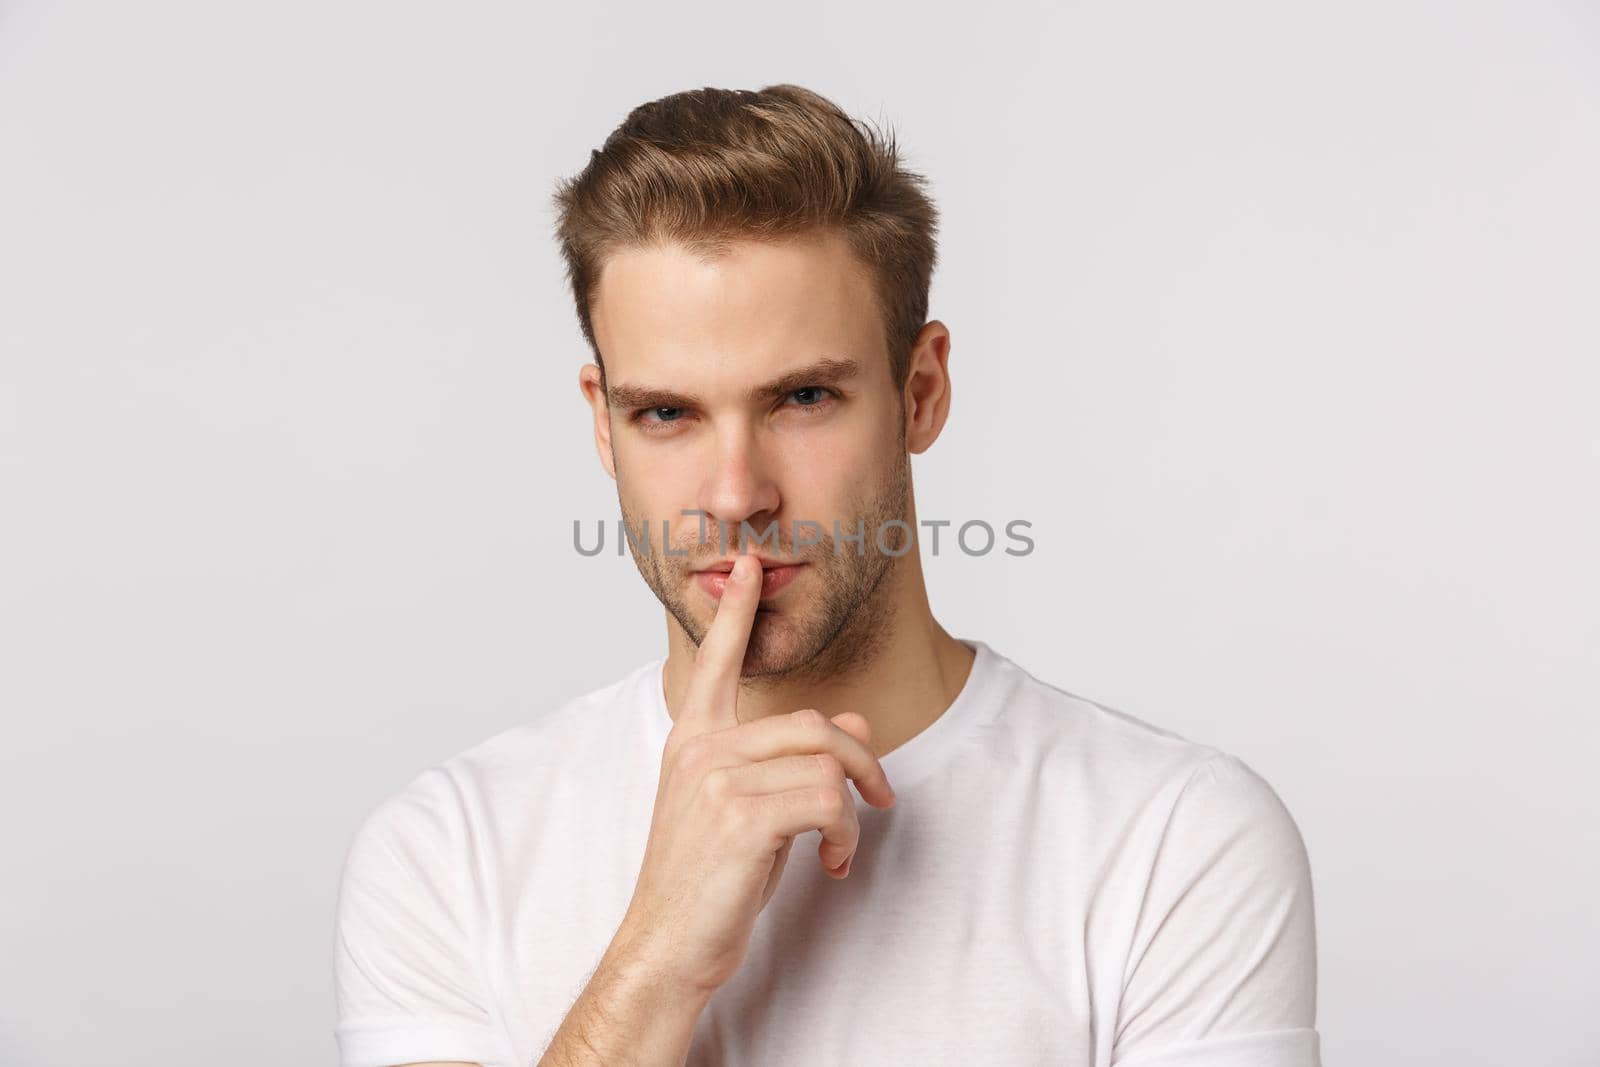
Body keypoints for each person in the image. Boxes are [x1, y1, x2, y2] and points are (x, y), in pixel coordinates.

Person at [332, 83, 1321, 1067]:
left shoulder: (1171, 840)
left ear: (919, 391)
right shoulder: (445, 852)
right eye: (666, 413)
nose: (734, 494)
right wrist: (657, 956)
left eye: (803, 397)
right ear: (602, 420)